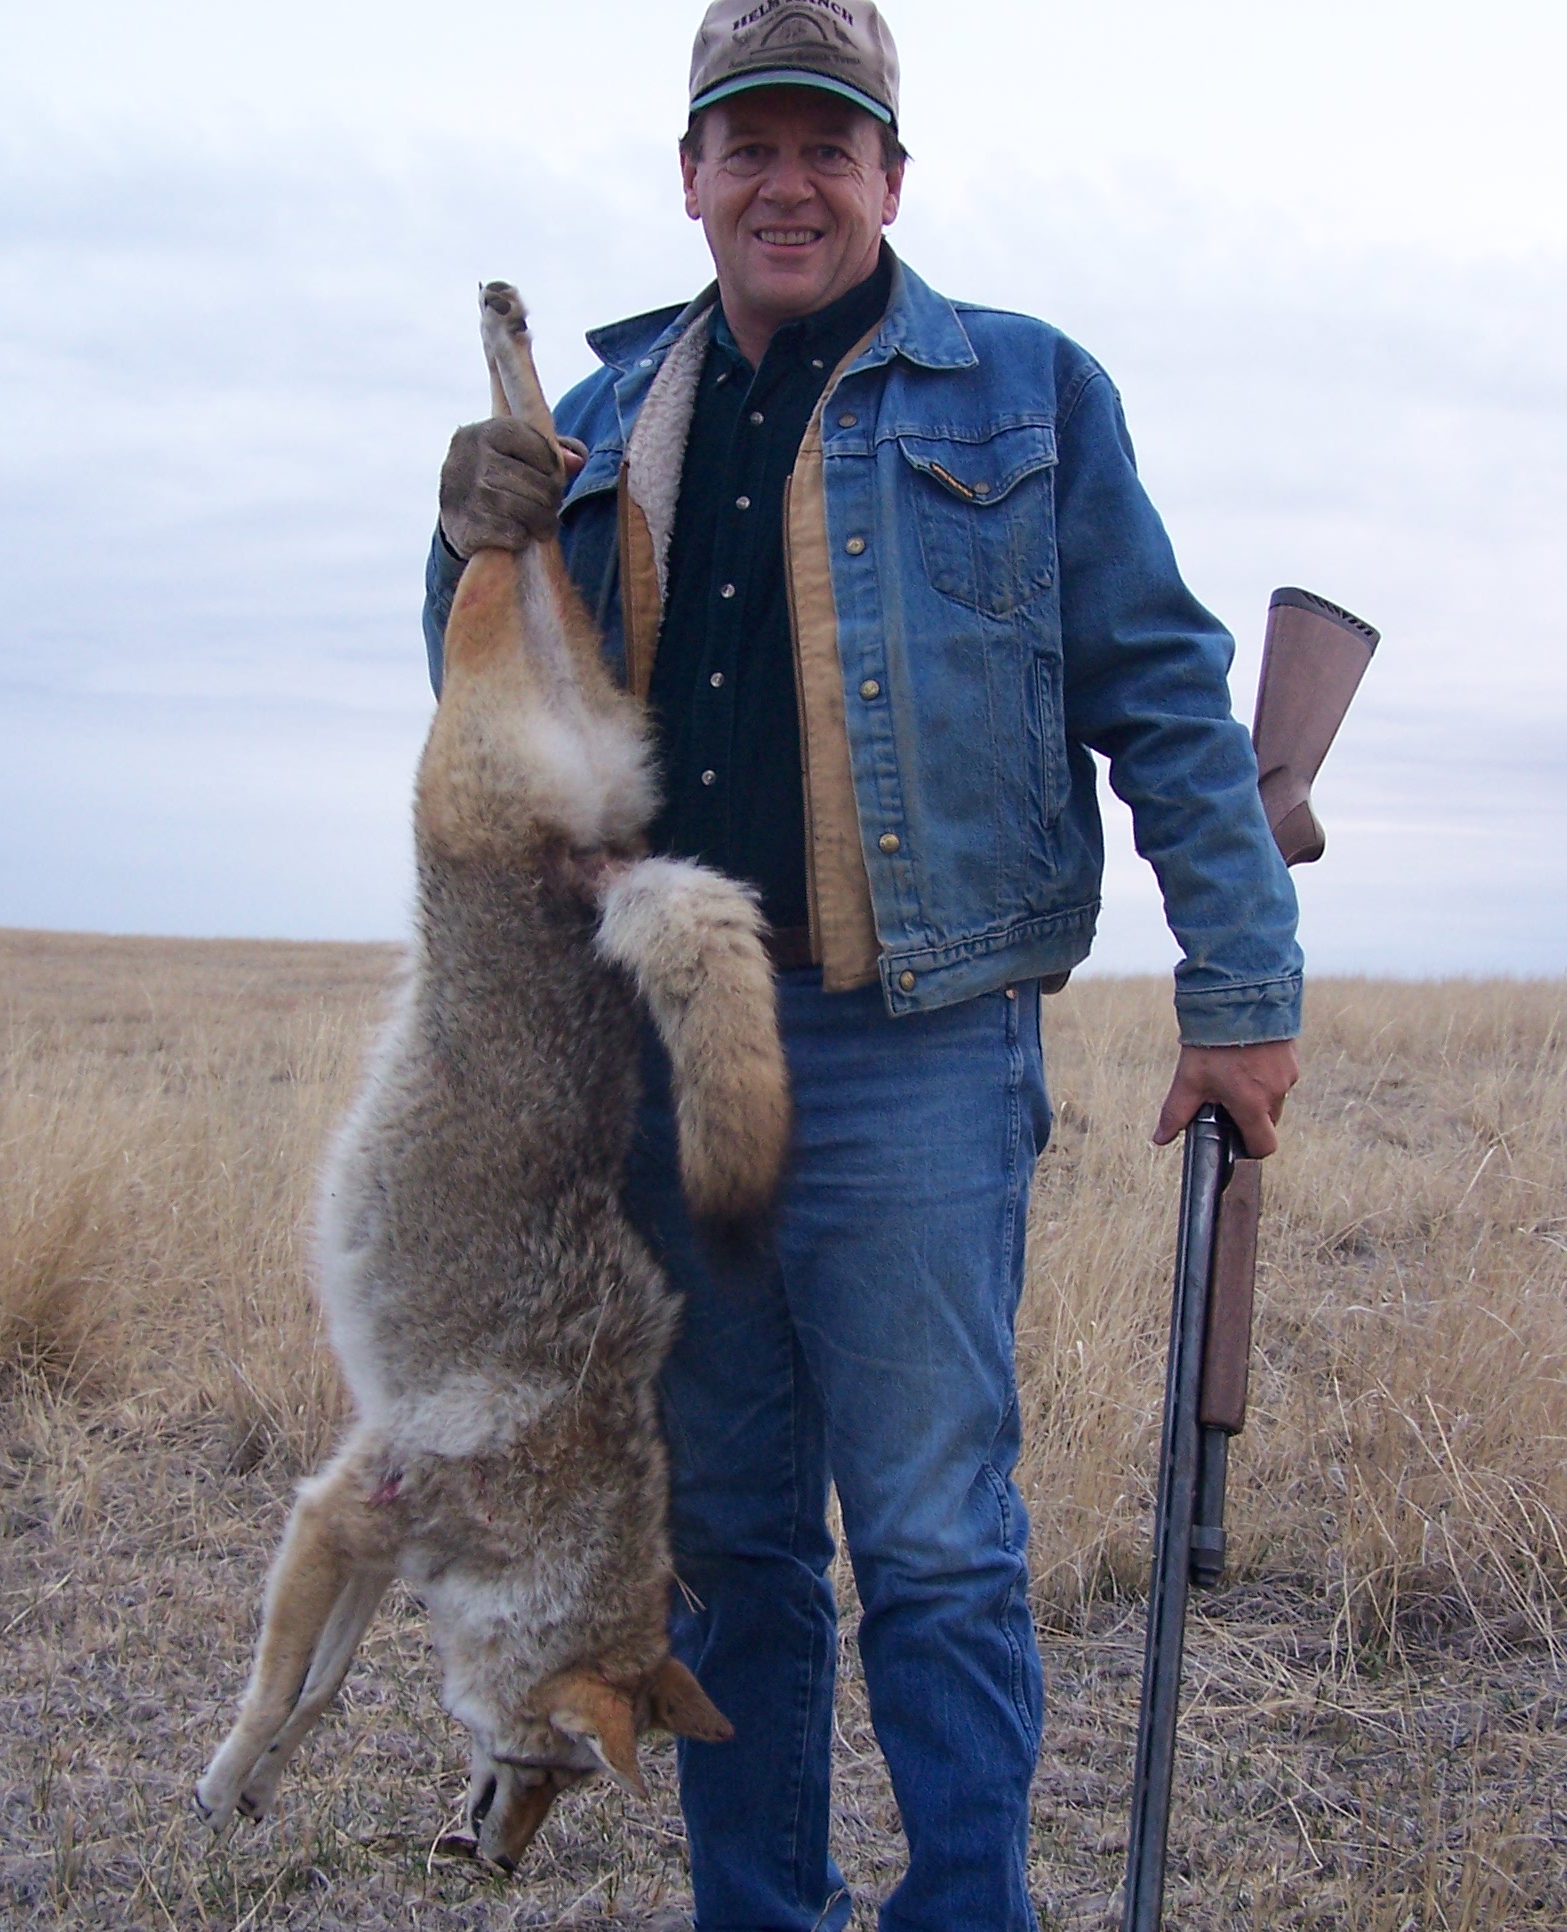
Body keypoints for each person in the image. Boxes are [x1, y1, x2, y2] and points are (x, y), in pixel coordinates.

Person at [422, 6, 1300, 1925]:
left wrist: (1239, 990)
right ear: (689, 177)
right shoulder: (596, 424)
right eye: (748, 145)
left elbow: (1163, 692)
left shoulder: (1026, 394)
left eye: (829, 146)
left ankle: (968, 1907)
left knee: (933, 1543)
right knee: (735, 1545)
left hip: (915, 1047)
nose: (788, 183)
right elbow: (492, 708)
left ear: (892, 177)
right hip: (664, 1053)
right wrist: (468, 542)